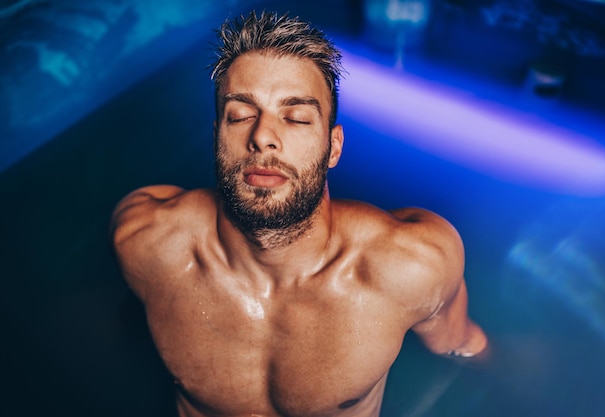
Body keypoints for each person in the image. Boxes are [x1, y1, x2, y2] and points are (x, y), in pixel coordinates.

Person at [110, 10, 488, 417]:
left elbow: (461, 347)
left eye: (296, 118)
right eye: (240, 115)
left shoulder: (410, 266)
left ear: (334, 147)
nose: (263, 137)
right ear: (217, 135)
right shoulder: (148, 241)